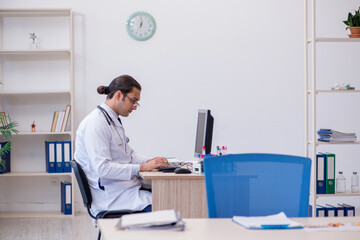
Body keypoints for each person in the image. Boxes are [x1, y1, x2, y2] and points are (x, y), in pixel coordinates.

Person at [74, 75, 169, 215]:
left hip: (123, 189)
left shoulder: (113, 121)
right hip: (112, 198)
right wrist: (142, 168)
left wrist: (149, 161)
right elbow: (103, 169)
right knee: (169, 206)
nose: (135, 107)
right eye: (133, 100)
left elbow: (129, 155)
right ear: (119, 95)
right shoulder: (95, 124)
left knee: (168, 197)